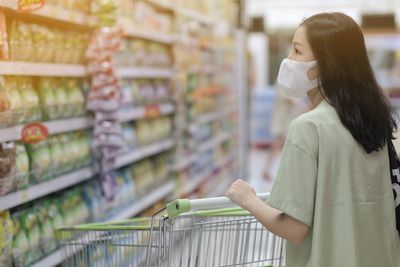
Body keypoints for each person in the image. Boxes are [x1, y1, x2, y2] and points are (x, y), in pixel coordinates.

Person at [225, 12, 400, 267]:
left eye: (297, 51)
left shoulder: (308, 128)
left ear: (326, 63)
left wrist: (248, 199)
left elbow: (295, 229)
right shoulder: (375, 121)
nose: (288, 60)